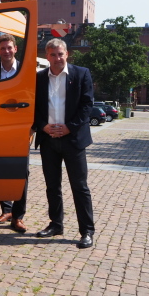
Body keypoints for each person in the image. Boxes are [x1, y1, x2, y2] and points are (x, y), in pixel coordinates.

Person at [34, 38, 95, 248]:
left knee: (80, 187)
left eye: (60, 54)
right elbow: (33, 108)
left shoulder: (81, 74)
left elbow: (87, 105)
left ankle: (86, 231)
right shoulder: (39, 78)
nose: (57, 58)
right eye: (52, 54)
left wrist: (70, 126)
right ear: (47, 56)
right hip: (49, 140)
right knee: (52, 187)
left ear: (67, 54)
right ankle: (56, 224)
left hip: (73, 139)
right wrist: (43, 126)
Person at [0, 34, 29, 233]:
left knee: (22, 172)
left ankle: (18, 216)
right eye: (2, 48)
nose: (6, 51)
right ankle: (7, 209)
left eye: (9, 48)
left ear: (15, 49)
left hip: (20, 127)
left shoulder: (26, 70)